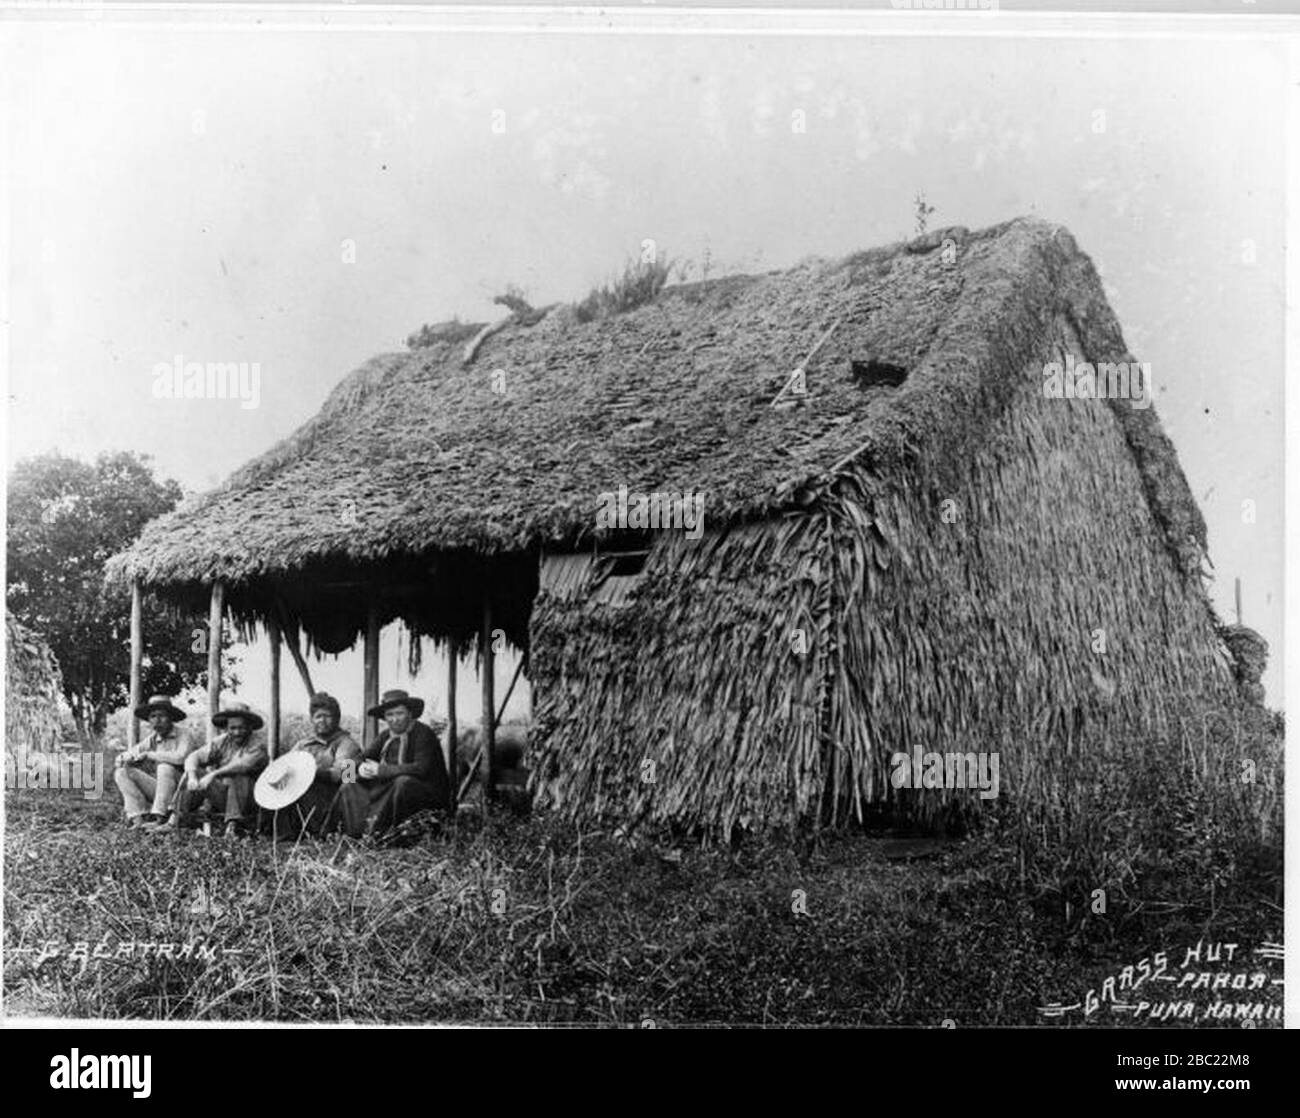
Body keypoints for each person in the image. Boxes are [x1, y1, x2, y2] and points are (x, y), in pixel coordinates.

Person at [334, 689, 448, 838]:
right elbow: (360, 757)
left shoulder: (424, 733)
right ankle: (352, 833)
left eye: (399, 713)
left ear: (410, 713)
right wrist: (358, 768)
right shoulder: (385, 735)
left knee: (403, 782)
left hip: (425, 793)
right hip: (390, 788)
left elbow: (421, 768)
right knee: (349, 782)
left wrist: (381, 771)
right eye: (390, 715)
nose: (395, 719)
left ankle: (393, 836)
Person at [156, 701, 268, 838]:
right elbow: (194, 756)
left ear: (250, 727)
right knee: (193, 772)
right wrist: (192, 776)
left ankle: (233, 826)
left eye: (241, 728)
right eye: (232, 728)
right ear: (227, 728)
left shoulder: (258, 745)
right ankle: (174, 821)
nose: (237, 732)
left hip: (251, 800)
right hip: (225, 798)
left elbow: (243, 765)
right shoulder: (222, 741)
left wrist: (214, 774)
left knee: (238, 777)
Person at [278, 692, 362, 837]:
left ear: (337, 719)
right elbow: (287, 766)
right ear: (312, 720)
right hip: (303, 801)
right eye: (318, 717)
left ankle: (320, 833)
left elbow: (345, 776)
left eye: (328, 716)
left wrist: (310, 771)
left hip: (334, 802)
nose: (322, 721)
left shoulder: (348, 744)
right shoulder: (303, 744)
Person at [115, 694, 195, 829]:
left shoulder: (184, 734)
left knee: (165, 767)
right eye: (153, 716)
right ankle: (138, 817)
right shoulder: (153, 739)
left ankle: (160, 819)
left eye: (162, 716)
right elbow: (129, 753)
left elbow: (180, 757)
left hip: (187, 793)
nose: (157, 721)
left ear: (171, 718)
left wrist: (150, 754)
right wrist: (124, 758)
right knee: (122, 772)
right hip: (165, 792)